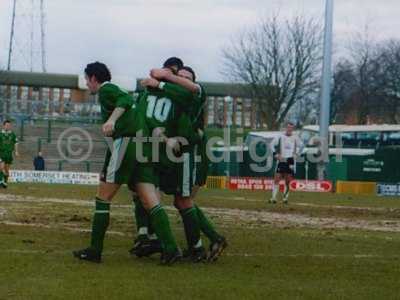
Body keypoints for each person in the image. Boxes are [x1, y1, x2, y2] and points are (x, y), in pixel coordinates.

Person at [73, 62, 180, 265]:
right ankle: (171, 248)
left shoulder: (107, 90)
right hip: (140, 146)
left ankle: (95, 250)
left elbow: (124, 100)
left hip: (125, 145)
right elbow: (132, 105)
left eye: (87, 80)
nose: (87, 84)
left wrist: (112, 120)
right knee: (150, 200)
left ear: (94, 78)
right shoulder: (118, 91)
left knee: (103, 198)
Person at [269, 122, 304, 204]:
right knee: (277, 178)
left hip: (290, 160)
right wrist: (275, 154)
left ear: (293, 129)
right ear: (286, 128)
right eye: (288, 127)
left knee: (288, 180)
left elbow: (302, 146)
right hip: (282, 159)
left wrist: (297, 154)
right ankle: (273, 198)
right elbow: (271, 144)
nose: (289, 129)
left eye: (291, 128)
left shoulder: (295, 137)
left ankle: (285, 198)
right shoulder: (280, 136)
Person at [0, 120, 19, 188]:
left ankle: (5, 182)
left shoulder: (12, 134)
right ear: (4, 125)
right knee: (1, 167)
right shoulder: (0, 134)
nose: (8, 126)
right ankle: (1, 180)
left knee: (7, 170)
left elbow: (16, 143)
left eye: (9, 125)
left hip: (9, 154)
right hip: (1, 153)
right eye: (6, 125)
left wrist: (16, 151)